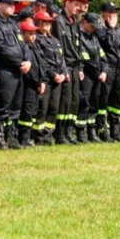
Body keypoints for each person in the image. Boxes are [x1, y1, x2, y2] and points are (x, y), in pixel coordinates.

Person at [0, 0, 31, 150]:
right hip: (4, 70)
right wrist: (19, 63)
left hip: (18, 70)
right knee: (1, 105)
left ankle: (11, 137)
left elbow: (24, 44)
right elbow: (1, 48)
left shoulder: (13, 23)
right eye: (9, 4)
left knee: (15, 107)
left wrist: (28, 61)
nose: (13, 6)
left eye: (13, 4)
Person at [53, 0, 86, 144]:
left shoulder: (75, 23)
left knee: (74, 100)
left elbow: (79, 48)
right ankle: (59, 134)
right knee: (64, 101)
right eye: (75, 3)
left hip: (75, 67)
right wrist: (63, 69)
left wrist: (80, 68)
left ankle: (69, 132)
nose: (78, 6)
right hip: (65, 66)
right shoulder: (58, 21)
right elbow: (59, 48)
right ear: (67, 3)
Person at [96, 2, 120, 143]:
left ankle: (116, 129)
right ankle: (102, 129)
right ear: (103, 13)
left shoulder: (119, 30)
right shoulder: (100, 28)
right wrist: (110, 27)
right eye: (111, 12)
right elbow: (107, 43)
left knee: (117, 100)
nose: (114, 14)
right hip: (107, 67)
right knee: (104, 99)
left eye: (115, 12)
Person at [32, 11, 67, 145]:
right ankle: (38, 137)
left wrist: (63, 73)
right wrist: (53, 74)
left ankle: (48, 135)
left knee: (53, 109)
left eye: (49, 22)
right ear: (38, 23)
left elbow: (61, 59)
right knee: (43, 108)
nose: (47, 24)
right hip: (46, 79)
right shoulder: (37, 40)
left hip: (58, 80)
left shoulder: (55, 40)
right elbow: (42, 61)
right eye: (44, 22)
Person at [77, 12, 108, 143]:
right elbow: (85, 59)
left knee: (94, 104)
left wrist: (104, 71)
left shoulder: (94, 38)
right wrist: (98, 73)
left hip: (98, 77)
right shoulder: (79, 38)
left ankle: (92, 131)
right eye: (93, 26)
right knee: (84, 103)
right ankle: (80, 133)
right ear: (85, 23)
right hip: (87, 76)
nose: (95, 29)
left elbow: (103, 57)